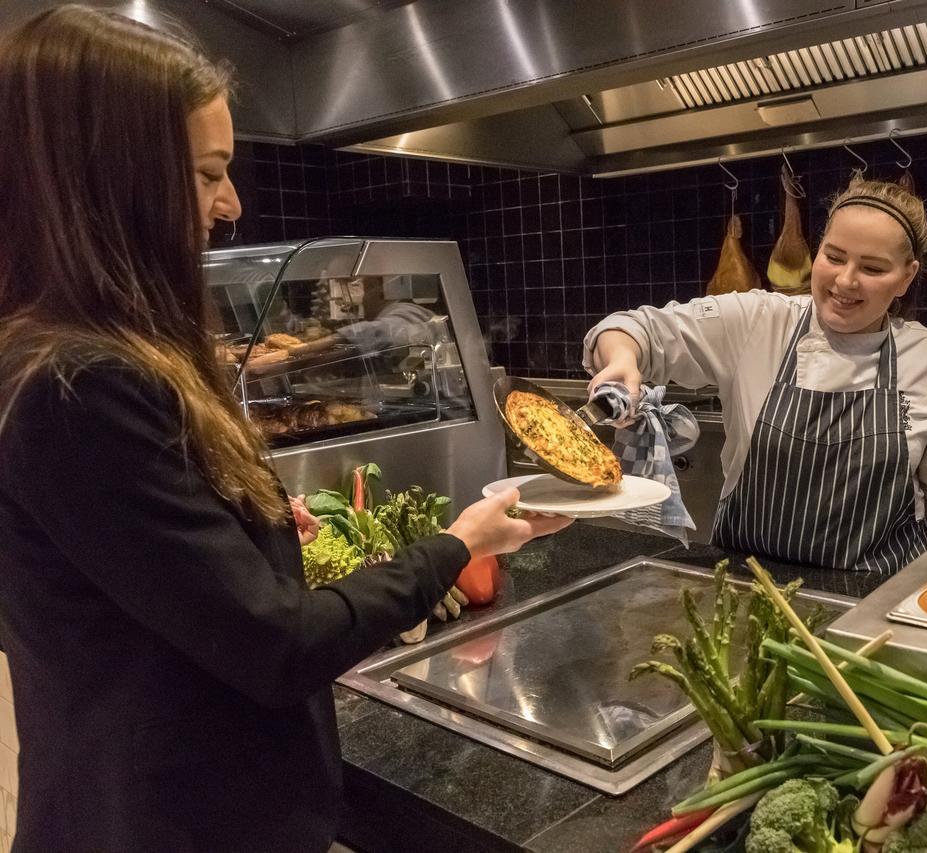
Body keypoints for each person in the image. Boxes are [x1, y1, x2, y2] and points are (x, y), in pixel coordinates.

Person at [0, 8, 569, 852]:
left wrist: (250, 528)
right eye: (205, 173)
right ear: (112, 179)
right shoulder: (80, 383)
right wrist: (457, 542)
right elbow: (277, 646)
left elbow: (154, 583)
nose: (229, 205)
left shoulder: (96, 356)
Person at [585, 180, 927, 576]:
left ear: (906, 277)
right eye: (834, 256)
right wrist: (621, 358)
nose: (845, 281)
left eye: (872, 268)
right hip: (750, 586)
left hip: (875, 598)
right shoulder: (756, 322)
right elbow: (633, 328)